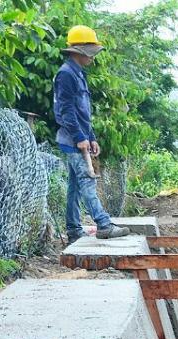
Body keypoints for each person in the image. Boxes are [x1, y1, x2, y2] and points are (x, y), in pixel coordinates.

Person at [53, 25, 130, 244]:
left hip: (78, 138)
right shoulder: (66, 75)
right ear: (80, 50)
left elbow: (82, 111)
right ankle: (104, 225)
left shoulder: (78, 74)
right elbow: (66, 111)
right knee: (87, 181)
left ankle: (74, 229)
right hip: (72, 139)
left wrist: (91, 136)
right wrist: (79, 138)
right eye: (91, 50)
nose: (93, 56)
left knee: (75, 187)